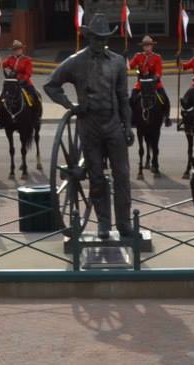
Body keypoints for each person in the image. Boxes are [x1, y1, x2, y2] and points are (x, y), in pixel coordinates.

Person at [44, 12, 137, 243]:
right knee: (96, 177)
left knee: (122, 176)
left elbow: (123, 97)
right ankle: (103, 223)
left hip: (114, 124)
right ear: (89, 37)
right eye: (97, 38)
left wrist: (128, 126)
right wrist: (70, 105)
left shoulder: (117, 62)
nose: (101, 42)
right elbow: (51, 85)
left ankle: (124, 224)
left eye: (104, 38)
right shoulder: (76, 61)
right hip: (90, 126)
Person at [0, 40, 39, 110]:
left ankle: (36, 114)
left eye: (19, 49)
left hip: (24, 81)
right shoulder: (10, 58)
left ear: (21, 49)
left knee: (34, 96)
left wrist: (23, 80)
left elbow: (28, 73)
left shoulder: (27, 60)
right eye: (15, 49)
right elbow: (1, 65)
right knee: (1, 98)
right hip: (12, 81)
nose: (17, 51)